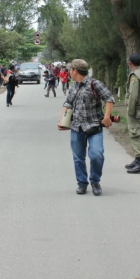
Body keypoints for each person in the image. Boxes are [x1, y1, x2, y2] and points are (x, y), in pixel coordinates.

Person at [57, 59, 115, 196]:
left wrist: (106, 117)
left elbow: (109, 99)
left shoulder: (95, 84)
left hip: (94, 126)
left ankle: (95, 181)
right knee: (78, 158)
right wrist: (61, 121)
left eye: (70, 70)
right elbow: (68, 104)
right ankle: (82, 183)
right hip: (77, 128)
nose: (69, 72)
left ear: (75, 71)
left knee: (96, 155)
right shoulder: (74, 87)